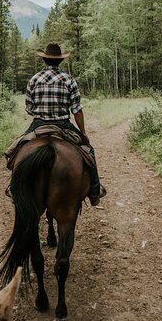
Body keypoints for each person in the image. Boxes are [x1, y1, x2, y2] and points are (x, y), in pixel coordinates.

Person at [22, 42, 106, 205]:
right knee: (89, 150)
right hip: (63, 124)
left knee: (18, 149)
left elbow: (29, 108)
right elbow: (77, 110)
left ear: (45, 60)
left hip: (39, 124)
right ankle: (94, 191)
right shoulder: (69, 80)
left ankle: (13, 187)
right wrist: (83, 132)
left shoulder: (34, 79)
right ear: (60, 61)